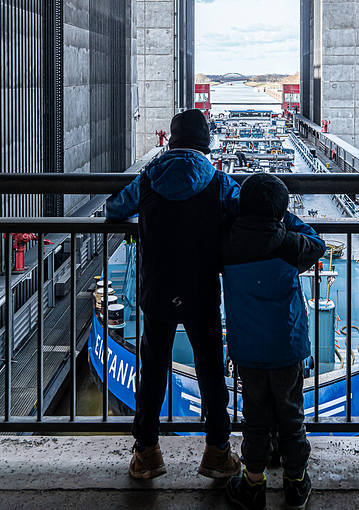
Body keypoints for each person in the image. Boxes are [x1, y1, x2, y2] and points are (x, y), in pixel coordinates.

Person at [106, 109, 241, 480]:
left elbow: (114, 208)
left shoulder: (149, 179)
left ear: (171, 142)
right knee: (212, 370)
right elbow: (246, 210)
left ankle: (147, 453)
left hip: (158, 290)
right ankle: (217, 452)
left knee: (151, 369)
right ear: (206, 144)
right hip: (201, 291)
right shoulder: (219, 183)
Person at [221, 173, 326, 510]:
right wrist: (286, 218)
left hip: (248, 350)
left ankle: (253, 484)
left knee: (254, 417)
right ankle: (295, 482)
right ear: (280, 212)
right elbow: (317, 243)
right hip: (287, 347)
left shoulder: (228, 245)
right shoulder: (290, 246)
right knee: (292, 415)